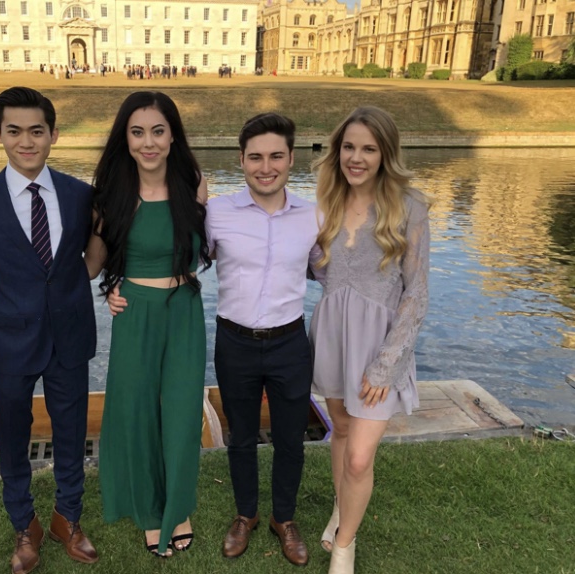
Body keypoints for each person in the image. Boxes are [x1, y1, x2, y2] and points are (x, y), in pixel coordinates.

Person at [109, 112, 322, 567]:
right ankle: (245, 515)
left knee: (290, 439)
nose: (266, 167)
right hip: (235, 341)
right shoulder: (216, 211)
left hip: (289, 342)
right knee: (241, 437)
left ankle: (284, 519)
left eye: (277, 157)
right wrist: (118, 283)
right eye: (256, 157)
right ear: (241, 160)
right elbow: (173, 250)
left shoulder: (314, 215)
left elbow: (329, 269)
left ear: (291, 159)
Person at [0, 87, 98, 573]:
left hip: (70, 337)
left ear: (53, 135)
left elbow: (101, 249)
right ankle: (24, 526)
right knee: (13, 441)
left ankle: (69, 519)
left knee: (71, 434)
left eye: (36, 131)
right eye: (14, 131)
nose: (26, 141)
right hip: (9, 341)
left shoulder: (81, 196)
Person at [85, 91, 210, 558]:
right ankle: (150, 510)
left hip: (183, 310)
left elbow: (209, 247)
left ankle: (177, 508)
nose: (148, 142)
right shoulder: (110, 195)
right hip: (134, 310)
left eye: (158, 131)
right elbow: (93, 265)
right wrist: (109, 290)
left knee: (179, 412)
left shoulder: (194, 185)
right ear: (126, 138)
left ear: (173, 135)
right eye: (137, 132)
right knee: (137, 411)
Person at [309, 106, 432, 574]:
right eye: (348, 147)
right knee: (339, 430)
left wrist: (387, 364)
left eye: (368, 148)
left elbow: (416, 294)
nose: (355, 158)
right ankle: (343, 509)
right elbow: (315, 271)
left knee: (360, 458)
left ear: (385, 154)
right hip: (332, 336)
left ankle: (344, 547)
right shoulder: (326, 202)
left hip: (380, 345)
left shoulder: (410, 207)